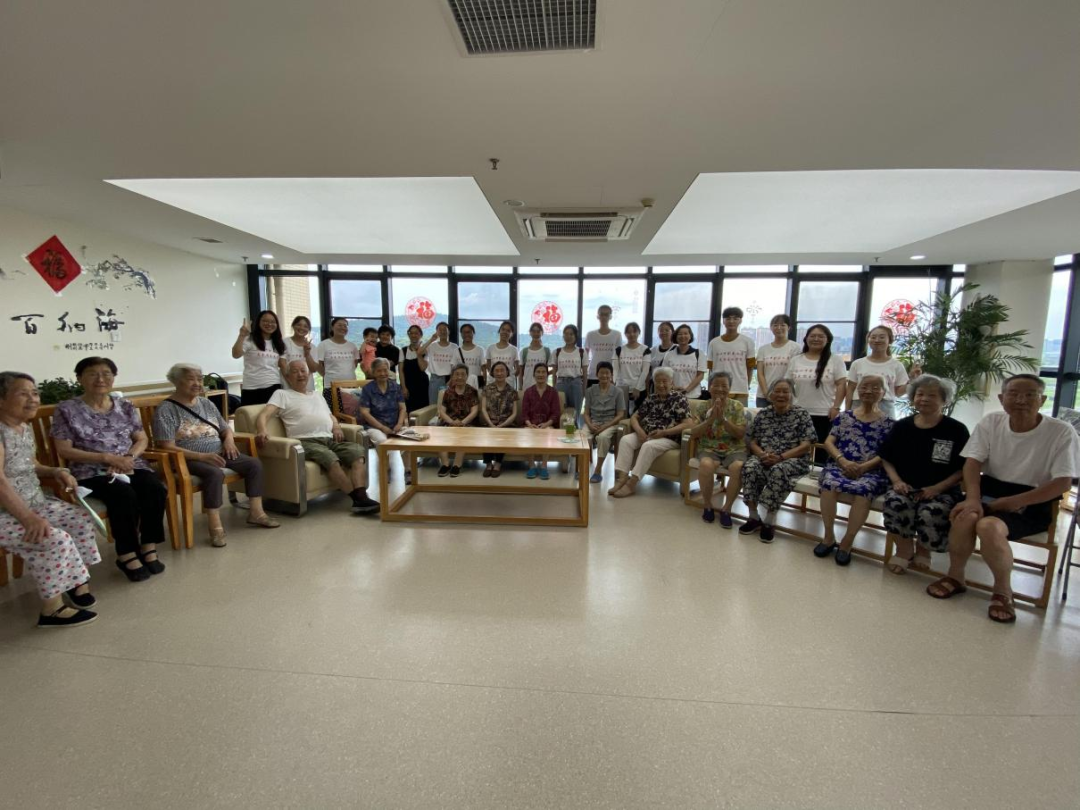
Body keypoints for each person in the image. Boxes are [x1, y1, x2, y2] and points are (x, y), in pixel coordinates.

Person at [928, 374, 1080, 623]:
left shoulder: (1061, 432)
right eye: (1014, 394)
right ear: (1001, 398)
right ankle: (955, 576)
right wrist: (973, 498)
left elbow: (1063, 483)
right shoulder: (992, 421)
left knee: (989, 526)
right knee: (964, 518)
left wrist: (1011, 502)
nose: (1021, 400)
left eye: (1029, 395)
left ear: (1042, 399)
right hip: (990, 488)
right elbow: (972, 462)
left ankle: (1002, 591)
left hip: (1033, 498)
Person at [51, 357, 168, 581]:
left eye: (106, 373)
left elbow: (141, 438)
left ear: (114, 378)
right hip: (90, 470)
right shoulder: (67, 409)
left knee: (154, 488)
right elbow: (64, 450)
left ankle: (148, 545)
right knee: (123, 494)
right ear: (79, 378)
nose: (100, 379)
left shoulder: (125, 405)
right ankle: (126, 553)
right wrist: (106, 457)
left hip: (129, 464)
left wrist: (129, 457)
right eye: (92, 373)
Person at [0, 371, 101, 627]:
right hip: (6, 513)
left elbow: (29, 464)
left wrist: (56, 471)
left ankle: (76, 583)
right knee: (54, 538)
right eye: (23, 394)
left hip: (34, 501)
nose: (33, 399)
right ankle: (52, 610)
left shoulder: (22, 427)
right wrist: (29, 519)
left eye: (35, 393)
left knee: (79, 519)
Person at [154, 363, 280, 547]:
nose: (197, 383)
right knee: (214, 473)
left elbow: (225, 428)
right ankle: (215, 526)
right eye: (191, 379)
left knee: (254, 464)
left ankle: (256, 513)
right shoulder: (166, 409)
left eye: (199, 379)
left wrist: (229, 440)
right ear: (176, 382)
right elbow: (166, 446)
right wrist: (201, 457)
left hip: (218, 451)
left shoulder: (206, 403)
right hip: (186, 459)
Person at [256, 361, 379, 513]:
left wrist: (336, 426)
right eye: (295, 371)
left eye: (303, 370)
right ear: (287, 376)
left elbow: (330, 416)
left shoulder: (317, 395)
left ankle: (361, 496)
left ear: (309, 374)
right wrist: (262, 430)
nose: (300, 374)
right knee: (329, 458)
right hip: (304, 441)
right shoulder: (282, 394)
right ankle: (358, 500)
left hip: (329, 438)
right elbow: (264, 415)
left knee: (357, 452)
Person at [878, 374, 969, 575]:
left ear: (944, 400)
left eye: (932, 395)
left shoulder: (956, 430)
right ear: (913, 398)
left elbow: (963, 468)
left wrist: (937, 488)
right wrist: (897, 481)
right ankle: (904, 550)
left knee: (931, 511)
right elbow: (886, 457)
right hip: (905, 486)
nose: (924, 399)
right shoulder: (902, 426)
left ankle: (923, 549)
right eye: (920, 394)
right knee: (896, 504)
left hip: (942, 489)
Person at [813, 375, 894, 565]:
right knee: (829, 484)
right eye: (865, 387)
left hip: (871, 471)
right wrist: (842, 460)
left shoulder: (890, 423)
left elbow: (886, 453)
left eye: (875, 388)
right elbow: (829, 442)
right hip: (839, 465)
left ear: (883, 393)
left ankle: (847, 541)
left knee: (863, 491)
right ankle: (828, 536)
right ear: (858, 390)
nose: (869, 391)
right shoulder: (844, 416)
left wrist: (863, 467)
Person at [739, 379, 816, 543]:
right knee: (749, 467)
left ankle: (769, 520)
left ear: (792, 394)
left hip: (793, 459)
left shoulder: (801, 414)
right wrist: (762, 455)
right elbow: (752, 441)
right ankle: (753, 517)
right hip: (765, 457)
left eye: (785, 391)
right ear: (770, 395)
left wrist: (781, 457)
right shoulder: (763, 414)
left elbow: (805, 445)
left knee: (778, 470)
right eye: (777, 391)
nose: (781, 395)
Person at [609, 366, 694, 499]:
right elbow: (634, 417)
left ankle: (631, 484)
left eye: (664, 381)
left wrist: (664, 432)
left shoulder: (679, 399)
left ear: (672, 382)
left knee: (648, 446)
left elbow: (688, 424)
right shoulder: (651, 398)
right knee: (625, 440)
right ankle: (622, 479)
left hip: (669, 438)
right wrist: (639, 431)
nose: (661, 385)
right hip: (647, 434)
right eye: (658, 382)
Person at [688, 371, 747, 527]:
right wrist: (711, 419)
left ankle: (726, 509)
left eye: (724, 386)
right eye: (716, 385)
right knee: (706, 465)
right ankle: (707, 505)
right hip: (709, 447)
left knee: (737, 467)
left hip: (734, 448)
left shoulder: (737, 406)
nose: (720, 389)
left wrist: (723, 420)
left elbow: (740, 434)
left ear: (730, 388)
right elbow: (693, 433)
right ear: (709, 387)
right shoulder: (702, 406)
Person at [788, 324, 848, 444]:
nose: (816, 339)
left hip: (825, 413)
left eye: (821, 336)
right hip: (799, 412)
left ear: (828, 340)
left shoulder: (835, 360)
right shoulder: (796, 360)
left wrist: (836, 407)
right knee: (798, 447)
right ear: (806, 339)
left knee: (821, 448)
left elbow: (842, 384)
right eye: (812, 336)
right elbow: (788, 384)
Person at [358, 357, 410, 483]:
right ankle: (385, 469)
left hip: (395, 424)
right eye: (379, 371)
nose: (383, 373)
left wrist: (399, 424)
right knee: (382, 441)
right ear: (373, 372)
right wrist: (382, 428)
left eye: (385, 370)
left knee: (408, 438)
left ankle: (408, 471)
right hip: (375, 426)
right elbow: (365, 413)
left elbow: (403, 408)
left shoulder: (395, 387)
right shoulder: (368, 389)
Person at [846, 326, 909, 417]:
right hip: (859, 404)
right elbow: (850, 390)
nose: (877, 340)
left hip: (885, 407)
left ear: (890, 340)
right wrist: (847, 412)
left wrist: (912, 381)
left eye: (882, 337)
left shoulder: (897, 365)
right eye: (873, 337)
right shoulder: (858, 363)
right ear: (868, 340)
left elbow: (898, 393)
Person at [582, 362, 627, 483]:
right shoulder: (590, 391)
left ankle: (597, 470)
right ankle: (581, 468)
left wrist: (605, 426)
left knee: (602, 438)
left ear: (611, 375)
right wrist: (590, 424)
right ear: (597, 374)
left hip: (610, 423)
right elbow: (586, 413)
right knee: (582, 437)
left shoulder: (618, 392)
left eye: (607, 373)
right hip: (593, 422)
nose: (604, 375)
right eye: (601, 373)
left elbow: (620, 414)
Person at [232, 310, 286, 406]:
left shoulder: (279, 343)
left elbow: (283, 365)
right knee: (251, 415)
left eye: (273, 322)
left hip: (274, 386)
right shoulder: (250, 339)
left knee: (273, 415)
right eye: (265, 321)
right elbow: (236, 354)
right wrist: (241, 335)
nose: (269, 324)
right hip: (251, 387)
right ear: (258, 322)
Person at [436, 364, 479, 477]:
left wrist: (462, 422)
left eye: (463, 374)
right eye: (457, 374)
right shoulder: (448, 392)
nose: (460, 377)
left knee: (463, 435)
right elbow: (442, 411)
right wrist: (451, 422)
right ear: (453, 376)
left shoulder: (472, 391)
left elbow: (474, 411)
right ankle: (445, 464)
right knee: (440, 434)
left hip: (467, 423)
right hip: (450, 422)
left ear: (467, 376)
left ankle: (456, 465)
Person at [707, 307, 755, 404]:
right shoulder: (714, 342)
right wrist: (710, 387)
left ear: (740, 320)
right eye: (728, 318)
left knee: (739, 413)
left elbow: (750, 367)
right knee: (717, 412)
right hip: (718, 389)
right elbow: (711, 369)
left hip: (740, 389)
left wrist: (747, 385)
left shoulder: (747, 341)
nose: (731, 321)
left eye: (735, 318)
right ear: (723, 321)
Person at [521, 362, 561, 480]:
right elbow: (524, 413)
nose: (540, 374)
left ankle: (544, 466)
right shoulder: (528, 392)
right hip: (530, 424)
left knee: (547, 432)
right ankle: (531, 466)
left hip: (547, 424)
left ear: (547, 375)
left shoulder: (553, 392)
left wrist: (546, 424)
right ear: (534, 375)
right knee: (528, 432)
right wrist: (529, 424)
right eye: (538, 372)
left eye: (543, 372)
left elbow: (556, 413)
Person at [479, 361, 519, 478]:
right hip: (489, 422)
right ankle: (488, 464)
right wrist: (491, 424)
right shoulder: (487, 389)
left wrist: (502, 425)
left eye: (502, 370)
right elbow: (483, 409)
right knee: (486, 433)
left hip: (507, 424)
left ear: (507, 373)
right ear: (492, 373)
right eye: (496, 370)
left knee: (503, 434)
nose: (499, 373)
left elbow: (514, 413)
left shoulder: (512, 391)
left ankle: (498, 464)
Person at [755, 314, 800, 408]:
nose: (779, 328)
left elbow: (792, 373)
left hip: (785, 395)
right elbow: (760, 373)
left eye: (783, 325)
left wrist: (780, 392)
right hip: (763, 396)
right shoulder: (763, 349)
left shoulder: (795, 347)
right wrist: (767, 393)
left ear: (789, 327)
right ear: (771, 328)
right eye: (775, 325)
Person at [316, 317, 360, 407]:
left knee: (351, 412)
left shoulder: (352, 346)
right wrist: (327, 375)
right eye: (339, 325)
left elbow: (354, 365)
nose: (343, 328)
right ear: (332, 327)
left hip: (350, 386)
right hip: (331, 386)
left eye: (345, 326)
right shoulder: (324, 344)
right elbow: (318, 365)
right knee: (333, 412)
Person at [612, 321, 650, 415]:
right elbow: (615, 370)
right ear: (625, 334)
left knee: (638, 416)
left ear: (639, 332)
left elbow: (645, 371)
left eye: (634, 331)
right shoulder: (619, 350)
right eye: (628, 332)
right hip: (622, 389)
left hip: (639, 389)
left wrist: (637, 388)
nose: (631, 334)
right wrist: (614, 384)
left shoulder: (645, 349)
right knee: (622, 416)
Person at [554, 324, 588, 428]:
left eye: (571, 334)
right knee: (561, 412)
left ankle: (575, 434)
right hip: (561, 384)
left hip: (576, 384)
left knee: (575, 413)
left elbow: (585, 374)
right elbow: (554, 372)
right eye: (565, 334)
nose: (568, 336)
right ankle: (561, 435)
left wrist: (584, 390)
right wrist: (553, 389)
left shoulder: (581, 352)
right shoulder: (557, 351)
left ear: (575, 336)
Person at [661, 324, 707, 398]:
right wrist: (673, 388)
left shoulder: (699, 354)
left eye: (686, 333)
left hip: (693, 396)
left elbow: (700, 376)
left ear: (690, 336)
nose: (683, 336)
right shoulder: (669, 354)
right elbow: (665, 375)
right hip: (673, 396)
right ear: (676, 337)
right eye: (680, 334)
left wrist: (686, 390)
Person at [421, 321, 460, 406]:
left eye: (445, 329)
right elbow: (420, 352)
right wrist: (431, 339)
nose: (442, 332)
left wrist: (451, 380)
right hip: (435, 379)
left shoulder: (454, 347)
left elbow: (457, 366)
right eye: (440, 330)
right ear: (437, 332)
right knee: (434, 404)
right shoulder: (432, 346)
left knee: (450, 404)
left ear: (449, 331)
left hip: (450, 379)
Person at [585, 304, 622, 386]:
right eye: (601, 314)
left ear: (610, 316)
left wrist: (615, 376)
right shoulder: (590, 334)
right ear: (597, 316)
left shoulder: (617, 334)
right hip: (593, 374)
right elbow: (585, 355)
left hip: (610, 376)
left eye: (606, 314)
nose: (604, 317)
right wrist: (584, 373)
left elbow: (618, 356)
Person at [283, 315, 318, 393]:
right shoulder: (285, 342)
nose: (302, 328)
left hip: (307, 387)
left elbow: (313, 369)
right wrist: (292, 384)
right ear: (293, 326)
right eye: (299, 325)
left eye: (305, 326)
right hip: (288, 386)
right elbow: (282, 365)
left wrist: (307, 353)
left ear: (308, 330)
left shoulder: (312, 347)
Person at [400, 324, 429, 414]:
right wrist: (403, 387)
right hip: (408, 385)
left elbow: (423, 368)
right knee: (409, 410)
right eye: (411, 333)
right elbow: (401, 371)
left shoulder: (425, 350)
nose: (413, 335)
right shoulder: (403, 350)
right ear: (408, 335)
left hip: (422, 385)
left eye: (416, 333)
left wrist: (418, 353)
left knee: (423, 410)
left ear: (421, 335)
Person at [485, 321, 520, 391]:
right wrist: (496, 376)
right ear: (499, 331)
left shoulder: (514, 349)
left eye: (508, 331)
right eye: (503, 329)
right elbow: (488, 367)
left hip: (509, 383)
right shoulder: (490, 348)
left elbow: (518, 370)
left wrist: (509, 376)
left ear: (511, 334)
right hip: (493, 382)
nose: (505, 332)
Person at [519, 322, 551, 389]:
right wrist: (520, 387)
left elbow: (552, 368)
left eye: (538, 331)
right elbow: (520, 373)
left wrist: (544, 375)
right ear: (530, 333)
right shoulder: (524, 351)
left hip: (542, 388)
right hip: (527, 387)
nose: (536, 334)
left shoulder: (546, 351)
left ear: (542, 333)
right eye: (533, 331)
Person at [458, 323, 486, 388]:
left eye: (469, 332)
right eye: (464, 332)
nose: (466, 334)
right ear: (461, 334)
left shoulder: (480, 349)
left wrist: (484, 384)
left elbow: (484, 369)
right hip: (461, 383)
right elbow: (454, 370)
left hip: (476, 383)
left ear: (473, 333)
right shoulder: (456, 351)